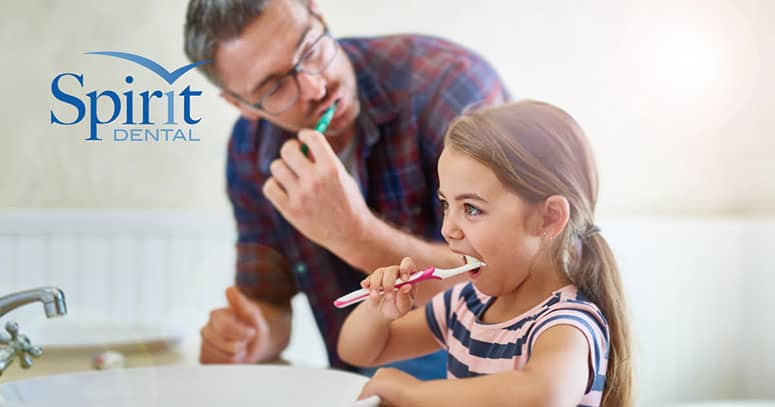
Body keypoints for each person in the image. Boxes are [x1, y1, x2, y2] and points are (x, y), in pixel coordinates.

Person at [182, 0, 509, 378]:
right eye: (274, 87)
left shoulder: (448, 85)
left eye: (310, 49)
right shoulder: (251, 150)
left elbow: (503, 278)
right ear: (241, 105)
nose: (315, 86)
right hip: (358, 384)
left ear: (318, 14)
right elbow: (270, 303)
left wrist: (354, 235)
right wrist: (252, 334)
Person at [338, 100, 632, 406]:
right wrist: (377, 311)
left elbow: (545, 395)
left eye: (472, 209)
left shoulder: (567, 322)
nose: (448, 229)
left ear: (549, 218)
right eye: (445, 205)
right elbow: (360, 351)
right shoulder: (465, 304)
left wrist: (412, 393)